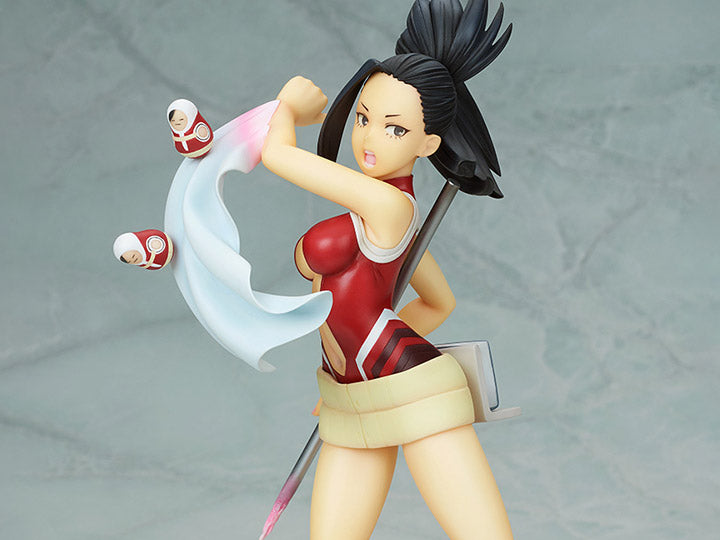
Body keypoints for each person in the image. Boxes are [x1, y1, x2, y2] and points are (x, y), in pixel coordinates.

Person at [260, 1, 513, 538]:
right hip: (348, 393)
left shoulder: (389, 207)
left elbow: (278, 155)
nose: (369, 139)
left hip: (415, 387)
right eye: (363, 118)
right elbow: (439, 303)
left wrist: (287, 107)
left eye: (394, 129)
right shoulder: (391, 215)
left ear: (428, 144)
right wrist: (354, 367)